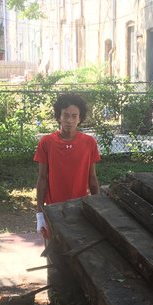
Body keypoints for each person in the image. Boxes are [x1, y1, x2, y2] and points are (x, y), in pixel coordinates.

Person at [34, 94, 101, 236]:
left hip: (80, 208)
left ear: (80, 118)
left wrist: (100, 206)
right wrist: (40, 214)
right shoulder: (46, 142)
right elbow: (42, 179)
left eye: (74, 116)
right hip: (53, 209)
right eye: (65, 115)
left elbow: (92, 178)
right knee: (53, 252)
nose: (69, 120)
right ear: (59, 117)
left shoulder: (89, 143)